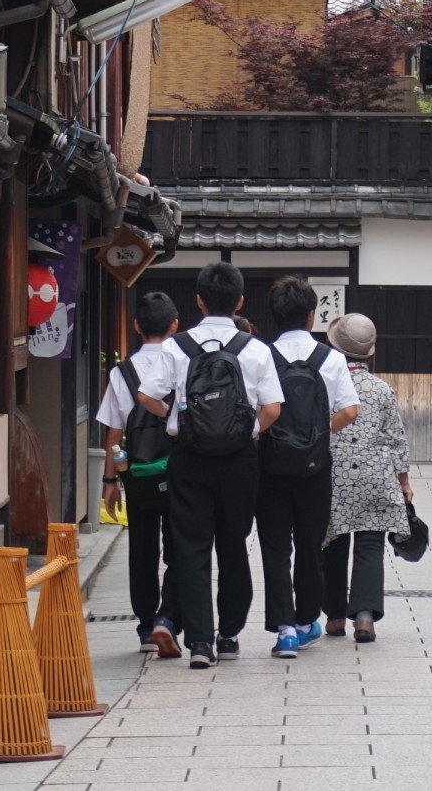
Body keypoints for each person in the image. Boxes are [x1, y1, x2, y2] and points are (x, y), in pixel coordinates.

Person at [137, 262, 285, 669]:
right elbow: (273, 407)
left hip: (189, 458)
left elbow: (146, 395)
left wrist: (177, 419)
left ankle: (200, 643)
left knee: (191, 547)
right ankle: (230, 635)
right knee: (233, 544)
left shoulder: (175, 346)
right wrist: (246, 430)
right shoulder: (254, 349)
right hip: (240, 460)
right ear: (240, 301)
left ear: (198, 300)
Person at [258, 276, 359, 660]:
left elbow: (260, 410)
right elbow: (350, 410)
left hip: (271, 465)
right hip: (316, 467)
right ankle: (304, 623)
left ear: (274, 316)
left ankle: (283, 630)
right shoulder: (330, 358)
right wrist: (318, 434)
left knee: (275, 546)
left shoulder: (262, 355)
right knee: (310, 545)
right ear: (312, 316)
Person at [96, 292, 185, 657]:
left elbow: (114, 435)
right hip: (179, 470)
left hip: (138, 472)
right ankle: (168, 617)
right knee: (180, 546)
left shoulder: (122, 372)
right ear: (175, 326)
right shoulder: (182, 363)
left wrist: (110, 481)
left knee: (142, 548)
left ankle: (146, 625)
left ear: (136, 326)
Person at [319, 313, 412, 642]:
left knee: (332, 543)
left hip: (333, 473)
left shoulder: (325, 383)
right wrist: (404, 484)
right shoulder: (382, 390)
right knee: (370, 545)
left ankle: (333, 617)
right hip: (377, 474)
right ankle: (363, 617)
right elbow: (396, 440)